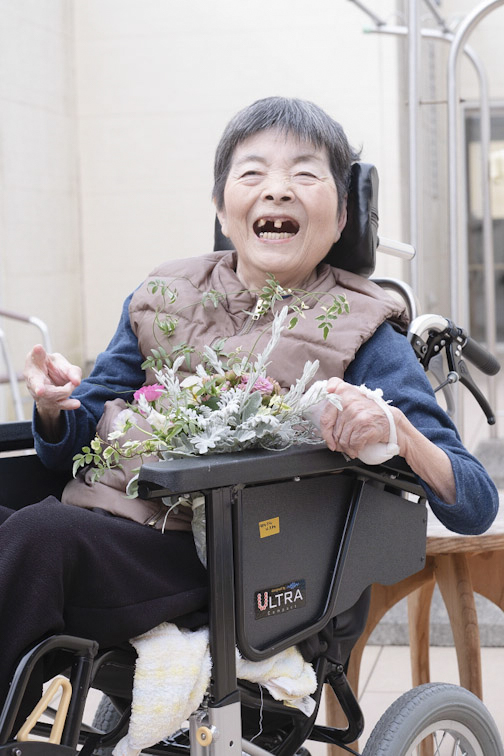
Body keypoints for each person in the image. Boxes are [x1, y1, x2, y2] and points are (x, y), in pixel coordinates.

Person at [1, 96, 498, 721]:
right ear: (222, 207)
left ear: (344, 215)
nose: (279, 190)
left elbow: (475, 500)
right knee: (29, 531)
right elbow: (77, 438)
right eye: (253, 172)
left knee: (39, 538)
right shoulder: (161, 296)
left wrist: (395, 428)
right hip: (103, 531)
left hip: (233, 569)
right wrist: (54, 409)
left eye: (306, 174)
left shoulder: (368, 333)